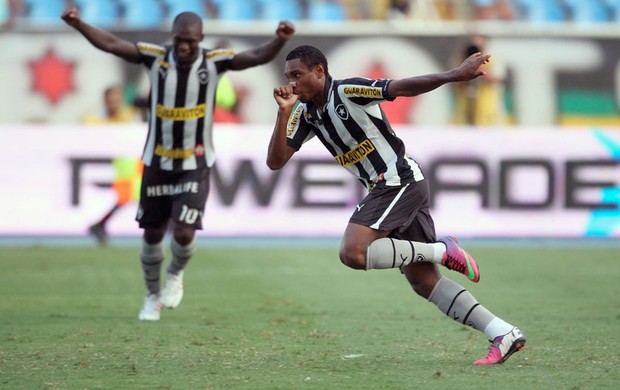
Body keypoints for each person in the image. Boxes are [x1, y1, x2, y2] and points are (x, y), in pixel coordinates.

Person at [267, 45, 525, 365]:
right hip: (390, 189)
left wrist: (453, 75)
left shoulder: (347, 91)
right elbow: (276, 161)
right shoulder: (305, 114)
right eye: (288, 77)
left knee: (353, 252)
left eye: (297, 75)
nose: (291, 83)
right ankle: (503, 333)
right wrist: (283, 111)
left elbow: (399, 87)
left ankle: (443, 251)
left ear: (319, 71)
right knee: (423, 281)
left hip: (398, 180)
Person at [61, 8, 296, 321]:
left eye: (191, 41)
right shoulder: (155, 57)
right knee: (152, 235)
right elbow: (112, 44)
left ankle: (174, 274)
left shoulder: (214, 61)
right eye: (179, 40)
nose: (184, 47)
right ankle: (151, 295)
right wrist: (79, 24)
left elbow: (254, 56)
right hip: (157, 161)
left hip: (194, 162)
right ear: (172, 38)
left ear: (200, 38)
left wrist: (278, 41)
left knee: (184, 233)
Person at [452, 34, 507, 126]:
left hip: (486, 109)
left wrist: (480, 66)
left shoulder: (493, 60)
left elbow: (497, 79)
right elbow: (454, 83)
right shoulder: (460, 61)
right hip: (464, 109)